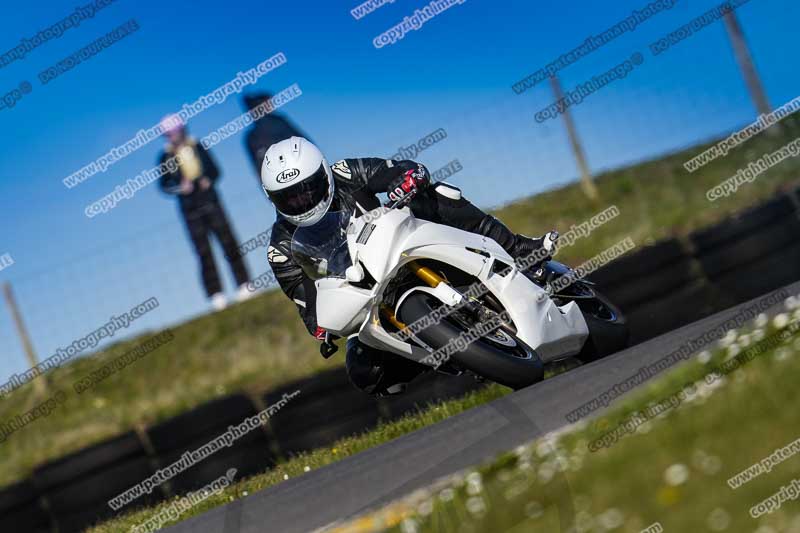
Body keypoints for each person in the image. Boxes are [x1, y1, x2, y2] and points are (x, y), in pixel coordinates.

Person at [262, 137, 556, 396]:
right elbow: (307, 300)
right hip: (365, 293)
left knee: (437, 195)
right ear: (272, 199)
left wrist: (406, 179)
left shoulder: (346, 172)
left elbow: (398, 170)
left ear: (324, 174)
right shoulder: (280, 249)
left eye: (307, 189)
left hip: (402, 247)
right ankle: (458, 355)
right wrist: (321, 327)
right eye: (289, 197)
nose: (301, 200)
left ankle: (518, 249)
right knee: (364, 369)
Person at [157, 115, 252, 310]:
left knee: (228, 241)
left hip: (211, 201)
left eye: (175, 131)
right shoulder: (165, 157)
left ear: (182, 129)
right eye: (169, 134)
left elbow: (215, 170)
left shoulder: (198, 146)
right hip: (189, 209)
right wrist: (180, 187)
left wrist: (208, 179)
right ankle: (216, 295)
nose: (173, 136)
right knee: (203, 251)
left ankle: (244, 284)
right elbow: (164, 185)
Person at [243, 92, 311, 182]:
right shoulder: (277, 123)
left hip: (287, 177)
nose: (271, 106)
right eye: (267, 103)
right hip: (295, 174)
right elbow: (306, 143)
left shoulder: (251, 137)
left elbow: (305, 143)